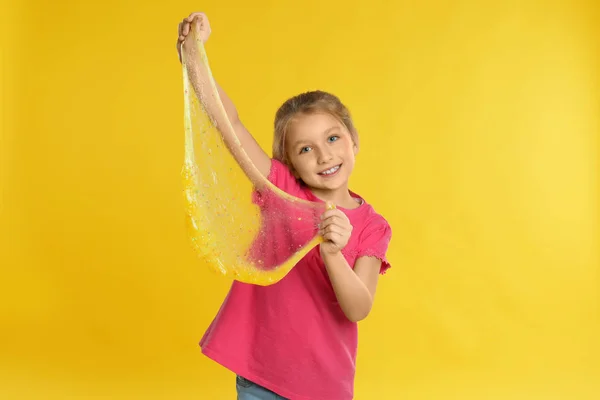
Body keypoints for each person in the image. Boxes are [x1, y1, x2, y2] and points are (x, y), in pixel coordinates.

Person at [176, 12, 393, 400]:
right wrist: (195, 56)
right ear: (290, 162)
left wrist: (332, 252)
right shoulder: (280, 190)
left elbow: (358, 307)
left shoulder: (373, 226)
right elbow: (232, 126)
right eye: (305, 148)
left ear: (354, 140)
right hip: (260, 376)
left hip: (324, 384)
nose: (324, 156)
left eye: (332, 138)